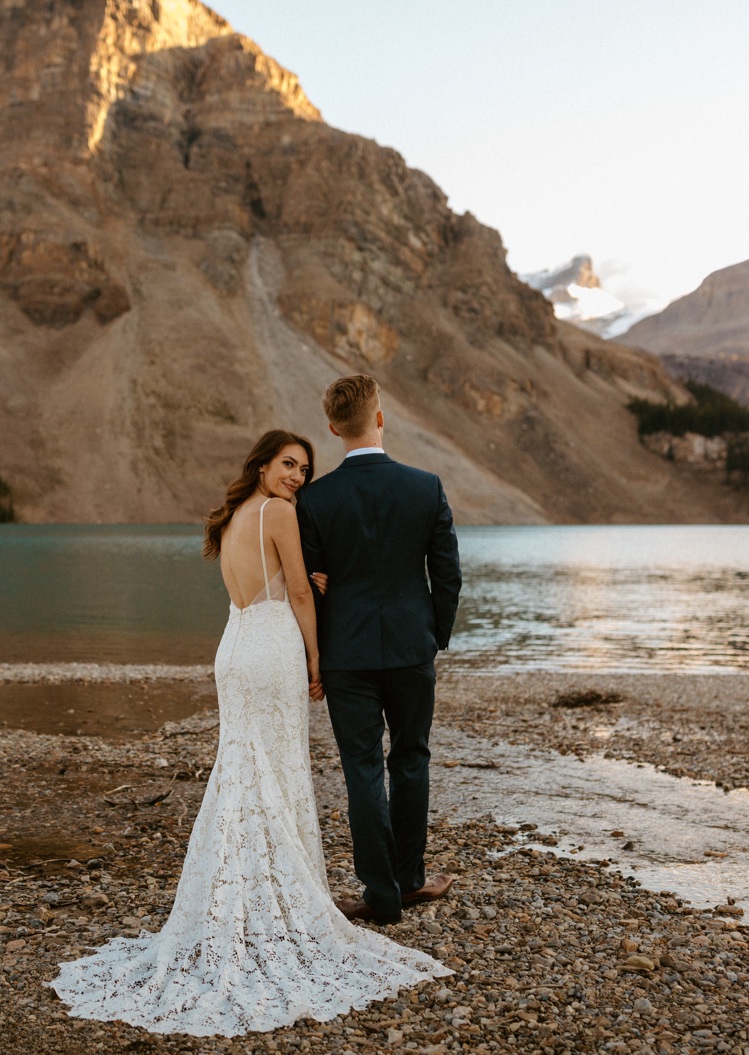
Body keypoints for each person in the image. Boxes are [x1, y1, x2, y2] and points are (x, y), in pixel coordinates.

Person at [50, 429, 449, 1036]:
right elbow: (294, 591)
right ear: (261, 464)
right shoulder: (280, 512)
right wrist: (317, 659)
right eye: (288, 464)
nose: (297, 476)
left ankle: (230, 892)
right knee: (277, 765)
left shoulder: (233, 515)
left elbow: (261, 584)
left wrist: (306, 583)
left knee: (241, 766)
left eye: (304, 469)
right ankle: (277, 897)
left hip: (234, 646)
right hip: (271, 652)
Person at [296, 375, 463, 924]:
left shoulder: (314, 498)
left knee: (362, 770)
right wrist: (434, 634)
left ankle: (379, 894)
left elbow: (310, 583)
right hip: (412, 648)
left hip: (346, 654)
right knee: (411, 757)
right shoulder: (426, 487)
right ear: (381, 417)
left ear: (332, 428)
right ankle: (410, 880)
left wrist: (317, 652)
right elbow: (447, 575)